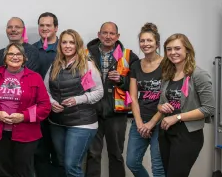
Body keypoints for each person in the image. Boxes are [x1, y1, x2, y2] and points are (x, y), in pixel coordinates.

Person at [0, 42, 51, 177]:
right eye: (11, 54)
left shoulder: (35, 77)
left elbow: (45, 107)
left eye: (18, 54)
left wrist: (24, 116)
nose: (15, 57)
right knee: (3, 171)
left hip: (26, 134)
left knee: (23, 171)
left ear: (24, 58)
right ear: (5, 58)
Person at [45, 29, 103, 177]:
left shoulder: (86, 65)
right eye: (64, 42)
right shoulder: (55, 65)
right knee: (61, 163)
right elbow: (45, 90)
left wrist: (78, 99)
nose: (68, 46)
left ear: (78, 45)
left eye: (72, 42)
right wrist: (51, 102)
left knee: (72, 166)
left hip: (81, 123)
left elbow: (98, 92)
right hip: (57, 122)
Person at [85, 22, 139, 177]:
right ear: (99, 34)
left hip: (117, 113)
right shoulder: (85, 53)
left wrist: (121, 80)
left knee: (116, 154)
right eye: (105, 33)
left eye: (112, 33)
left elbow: (137, 84)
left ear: (117, 36)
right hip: (92, 112)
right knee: (92, 154)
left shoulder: (128, 56)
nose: (108, 36)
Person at [157, 34, 214, 177]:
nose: (172, 53)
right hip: (166, 132)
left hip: (187, 135)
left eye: (177, 48)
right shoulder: (168, 74)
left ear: (187, 50)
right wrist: (162, 107)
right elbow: (160, 103)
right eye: (169, 49)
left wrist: (177, 117)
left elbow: (209, 108)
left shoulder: (199, 75)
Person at [125, 23, 165, 177]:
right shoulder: (136, 65)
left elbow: (168, 98)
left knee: (158, 167)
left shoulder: (167, 65)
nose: (145, 44)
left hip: (161, 121)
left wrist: (151, 123)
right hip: (140, 120)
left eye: (149, 40)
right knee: (132, 162)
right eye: (142, 41)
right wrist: (140, 123)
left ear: (157, 44)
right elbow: (133, 97)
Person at [31, 12, 62, 177]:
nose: (44, 28)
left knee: (59, 153)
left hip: (60, 109)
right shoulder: (31, 50)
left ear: (56, 28)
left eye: (48, 25)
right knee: (40, 152)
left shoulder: (64, 49)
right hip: (37, 110)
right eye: (42, 25)